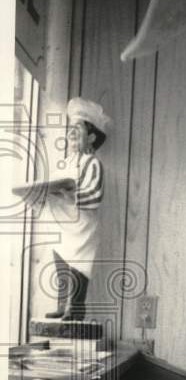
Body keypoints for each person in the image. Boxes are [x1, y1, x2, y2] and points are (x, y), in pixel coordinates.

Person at [42, 98, 109, 320]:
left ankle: (76, 307)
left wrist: (70, 195)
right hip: (62, 224)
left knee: (78, 266)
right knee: (60, 262)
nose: (71, 134)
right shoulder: (66, 163)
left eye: (77, 129)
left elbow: (95, 196)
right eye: (70, 129)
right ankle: (62, 304)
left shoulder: (93, 164)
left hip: (82, 227)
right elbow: (51, 188)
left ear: (91, 137)